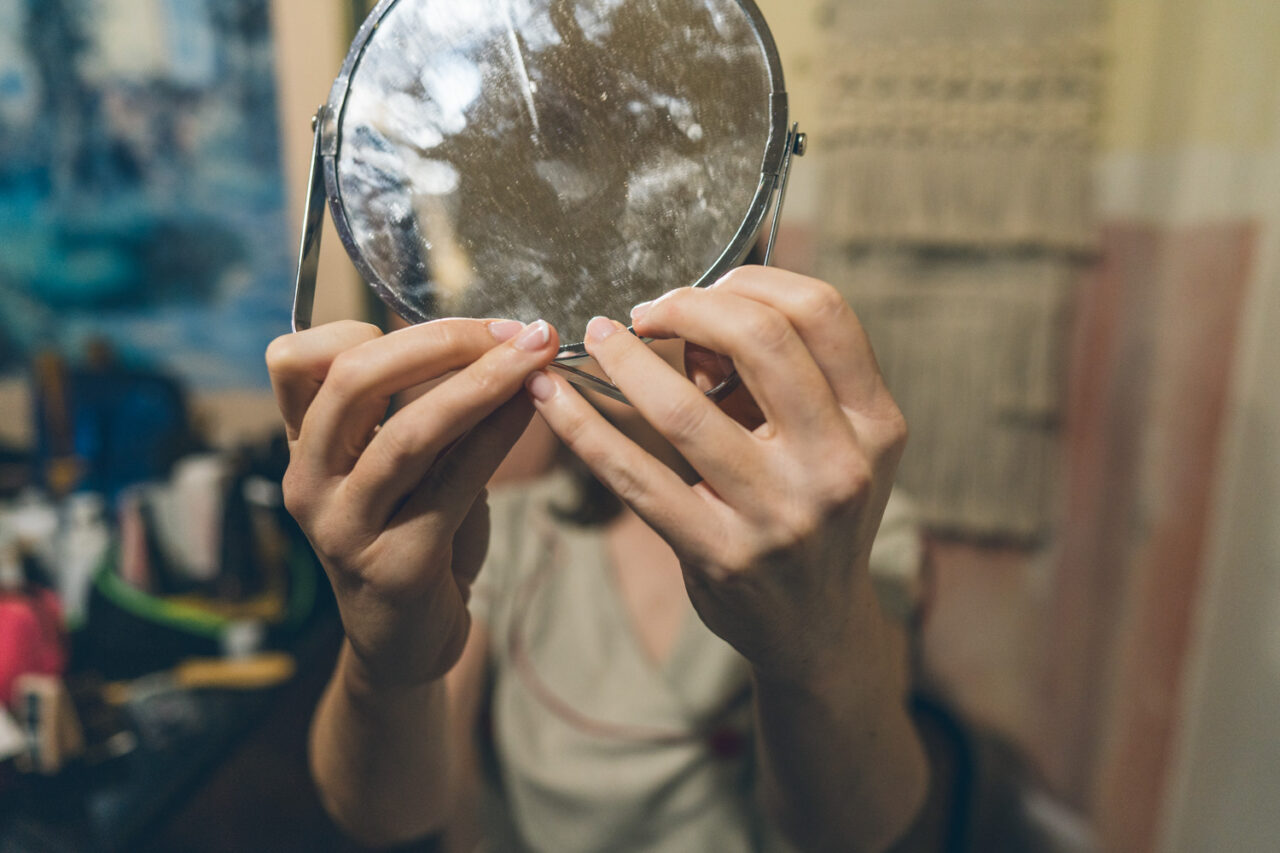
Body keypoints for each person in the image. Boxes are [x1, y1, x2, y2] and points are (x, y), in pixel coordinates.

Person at [266, 266, 930, 851]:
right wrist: (386, 658)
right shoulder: (510, 532)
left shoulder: (844, 518)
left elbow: (859, 827)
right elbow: (389, 814)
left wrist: (820, 645)